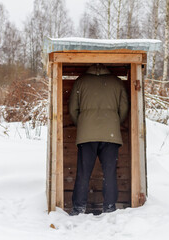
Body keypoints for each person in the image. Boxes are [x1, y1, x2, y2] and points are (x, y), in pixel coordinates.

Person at [68, 63, 129, 215]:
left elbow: (72, 109)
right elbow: (124, 108)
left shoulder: (80, 82)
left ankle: (79, 207)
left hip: (86, 134)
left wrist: (83, 124)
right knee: (109, 173)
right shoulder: (116, 82)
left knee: (83, 172)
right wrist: (114, 123)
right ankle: (109, 206)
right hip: (110, 134)